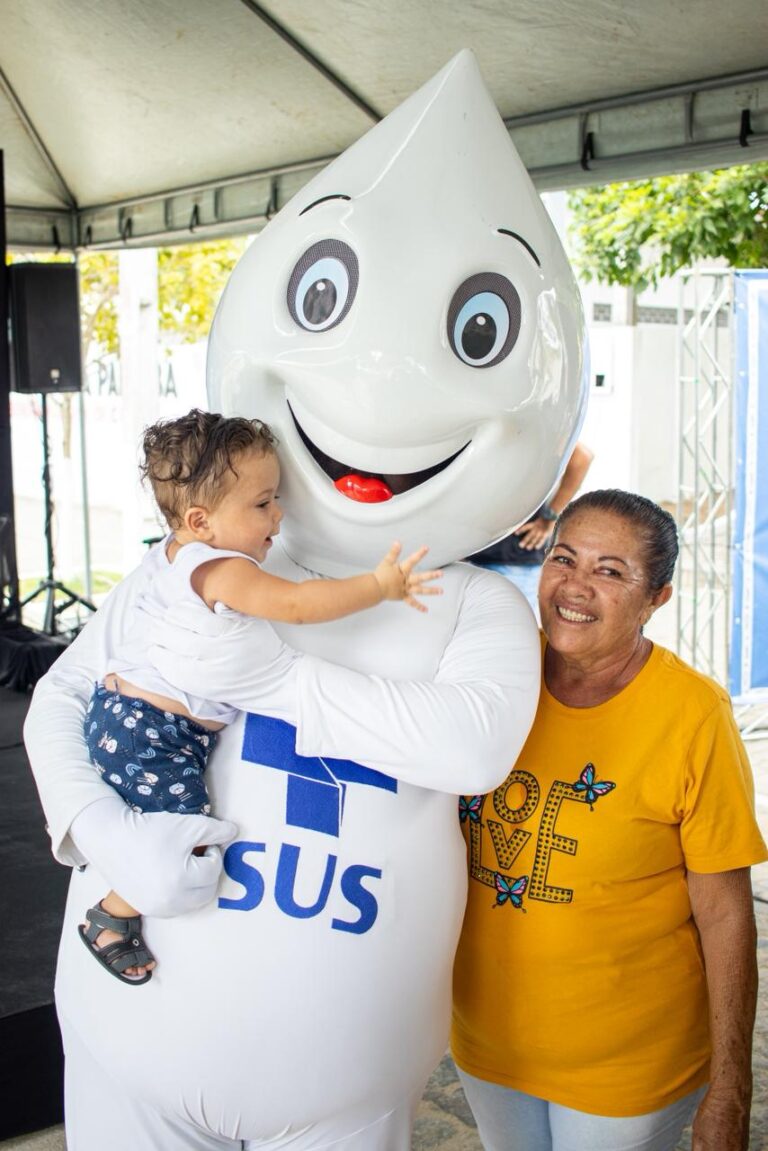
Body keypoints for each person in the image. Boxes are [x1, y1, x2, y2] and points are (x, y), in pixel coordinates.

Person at [453, 488, 767, 1151]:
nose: (576, 586)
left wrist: (732, 1084)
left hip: (628, 1065)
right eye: (565, 558)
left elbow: (726, 913)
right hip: (487, 1042)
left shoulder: (693, 716)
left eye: (611, 570)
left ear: (658, 597)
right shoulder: (496, 673)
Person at [80, 408, 441, 984]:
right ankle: (112, 914)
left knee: (166, 829)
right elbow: (296, 604)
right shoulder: (219, 567)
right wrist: (378, 586)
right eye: (262, 504)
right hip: (151, 732)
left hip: (129, 718)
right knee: (181, 838)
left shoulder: (172, 553)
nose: (279, 513)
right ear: (201, 519)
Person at [468, 442, 593, 614]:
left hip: (511, 556)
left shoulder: (521, 418)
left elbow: (580, 457)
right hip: (463, 556)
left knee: (511, 634)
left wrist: (549, 518)